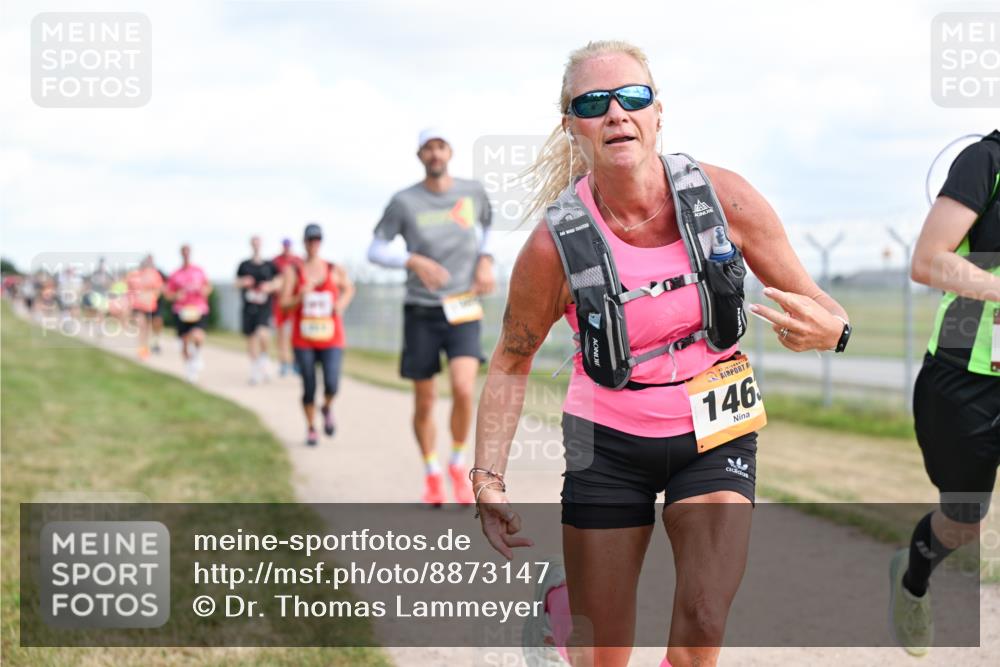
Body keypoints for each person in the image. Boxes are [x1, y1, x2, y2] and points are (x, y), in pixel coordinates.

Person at [471, 41, 852, 667]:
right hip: (608, 439)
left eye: (633, 97)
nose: (616, 112)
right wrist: (487, 477)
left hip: (716, 428)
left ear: (657, 112)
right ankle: (563, 616)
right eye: (594, 103)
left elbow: (820, 306)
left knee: (704, 621)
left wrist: (832, 334)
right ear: (572, 125)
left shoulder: (721, 197)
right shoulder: (552, 245)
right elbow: (512, 360)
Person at [888, 130, 1000, 657]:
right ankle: (912, 581)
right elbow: (929, 261)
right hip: (966, 369)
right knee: (962, 523)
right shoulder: (985, 160)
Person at [368, 127, 496, 506]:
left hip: (463, 306)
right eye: (428, 148)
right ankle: (431, 473)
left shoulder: (471, 192)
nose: (435, 154)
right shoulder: (404, 202)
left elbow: (489, 228)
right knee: (424, 401)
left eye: (440, 146)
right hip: (421, 309)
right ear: (420, 155)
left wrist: (485, 261)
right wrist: (411, 259)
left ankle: (457, 463)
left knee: (461, 388)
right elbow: (375, 249)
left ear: (450, 151)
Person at [280, 223, 354, 446]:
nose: (314, 244)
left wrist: (340, 304)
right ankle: (311, 428)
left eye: (317, 240)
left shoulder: (333, 268)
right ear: (304, 242)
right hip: (304, 339)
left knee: (332, 384)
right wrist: (299, 297)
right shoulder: (293, 271)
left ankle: (327, 407)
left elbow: (349, 288)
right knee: (309, 386)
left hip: (331, 337)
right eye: (310, 240)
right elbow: (283, 305)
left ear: (321, 242)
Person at [164, 244, 212, 382]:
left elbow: (208, 286)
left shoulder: (199, 271)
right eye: (184, 252)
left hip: (198, 309)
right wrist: (175, 296)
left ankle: (197, 356)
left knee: (198, 336)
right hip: (181, 311)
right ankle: (189, 367)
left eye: (188, 252)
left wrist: (205, 291)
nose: (186, 254)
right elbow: (167, 294)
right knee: (184, 341)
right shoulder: (175, 274)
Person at [236, 236, 280, 384]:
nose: (256, 245)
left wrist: (270, 287)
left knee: (263, 334)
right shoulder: (244, 265)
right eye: (254, 243)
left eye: (258, 243)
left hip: (264, 307)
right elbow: (235, 282)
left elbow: (280, 281)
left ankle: (264, 360)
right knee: (251, 339)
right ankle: (255, 369)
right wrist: (244, 282)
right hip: (249, 306)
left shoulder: (269, 265)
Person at [272, 238, 303, 376]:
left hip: (294, 303)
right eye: (285, 246)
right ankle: (284, 362)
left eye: (288, 246)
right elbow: (272, 280)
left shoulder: (298, 261)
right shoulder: (276, 261)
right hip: (279, 303)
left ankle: (296, 361)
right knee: (281, 334)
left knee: (294, 333)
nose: (286, 248)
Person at [126, 255, 164, 359]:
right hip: (138, 305)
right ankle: (141, 348)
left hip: (150, 305)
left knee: (147, 328)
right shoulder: (134, 275)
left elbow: (159, 289)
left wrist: (152, 296)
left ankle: (145, 347)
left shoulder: (154, 274)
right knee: (141, 325)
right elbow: (129, 290)